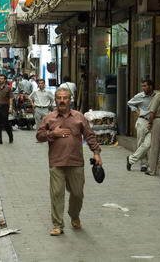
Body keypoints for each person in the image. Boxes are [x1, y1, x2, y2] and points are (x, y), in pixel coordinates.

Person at [36, 87, 102, 236]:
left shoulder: (79, 117)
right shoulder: (49, 118)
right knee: (57, 194)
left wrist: (96, 153)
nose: (62, 100)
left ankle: (74, 215)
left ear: (70, 99)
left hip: (75, 162)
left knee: (77, 194)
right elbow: (39, 136)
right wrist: (53, 133)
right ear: (55, 100)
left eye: (65, 98)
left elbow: (89, 136)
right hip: (56, 162)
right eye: (59, 98)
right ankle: (58, 224)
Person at [126, 79, 156, 172]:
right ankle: (143, 164)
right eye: (142, 86)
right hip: (142, 122)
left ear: (150, 86)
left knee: (147, 144)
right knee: (140, 143)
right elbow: (130, 103)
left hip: (152, 122)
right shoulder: (140, 96)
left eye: (145, 86)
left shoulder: (156, 96)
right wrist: (137, 111)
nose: (143, 88)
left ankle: (131, 159)